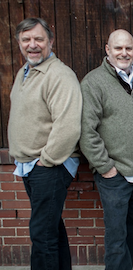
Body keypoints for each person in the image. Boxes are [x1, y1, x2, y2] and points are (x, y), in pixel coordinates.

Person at [79, 29, 133, 270]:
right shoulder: (94, 82)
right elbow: (86, 130)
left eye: (129, 48)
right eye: (118, 48)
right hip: (114, 175)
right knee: (116, 237)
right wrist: (106, 168)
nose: (124, 53)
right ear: (107, 50)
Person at [7, 18, 82, 270]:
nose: (32, 45)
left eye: (39, 39)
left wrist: (46, 161)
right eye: (26, 40)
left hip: (49, 166)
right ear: (19, 43)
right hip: (31, 166)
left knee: (42, 235)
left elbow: (68, 125)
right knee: (51, 229)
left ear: (51, 41)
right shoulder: (24, 72)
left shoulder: (59, 75)